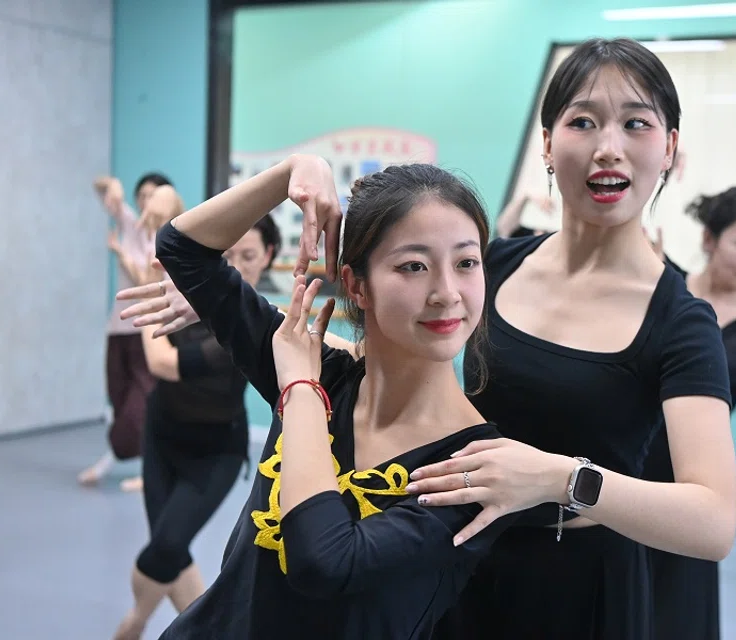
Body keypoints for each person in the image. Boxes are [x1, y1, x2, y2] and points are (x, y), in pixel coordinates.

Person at [284, 38, 736, 640]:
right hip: (444, 558)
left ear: (669, 148)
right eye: (583, 122)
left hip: (573, 592)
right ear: (547, 145)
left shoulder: (680, 320)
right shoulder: (492, 263)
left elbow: (713, 522)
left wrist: (560, 478)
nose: (609, 148)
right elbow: (394, 350)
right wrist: (238, 315)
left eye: (636, 124)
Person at [148, 158, 515, 639]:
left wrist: (300, 389)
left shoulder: (473, 470)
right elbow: (184, 251)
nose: (447, 293)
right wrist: (290, 175)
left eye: (466, 263)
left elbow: (324, 560)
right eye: (414, 266)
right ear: (358, 285)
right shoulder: (326, 372)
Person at [112, 200, 280, 640]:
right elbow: (168, 245)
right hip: (162, 436)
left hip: (216, 452)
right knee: (174, 551)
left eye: (249, 256)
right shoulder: (189, 292)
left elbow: (163, 363)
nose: (237, 266)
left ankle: (135, 621)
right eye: (228, 255)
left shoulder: (254, 327)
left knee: (164, 548)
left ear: (268, 257)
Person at [643, 183, 736, 640]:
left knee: (670, 611)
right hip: (620, 452)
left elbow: (703, 368)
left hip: (687, 477)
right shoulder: (661, 280)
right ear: (710, 238)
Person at [79, 172, 173, 491]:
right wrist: (111, 186)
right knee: (119, 399)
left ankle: (140, 466)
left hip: (146, 331)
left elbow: (147, 285)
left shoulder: (165, 237)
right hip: (117, 329)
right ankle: (138, 460)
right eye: (142, 195)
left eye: (154, 195)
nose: (147, 201)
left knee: (140, 404)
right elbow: (102, 189)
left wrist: (120, 254)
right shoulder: (131, 225)